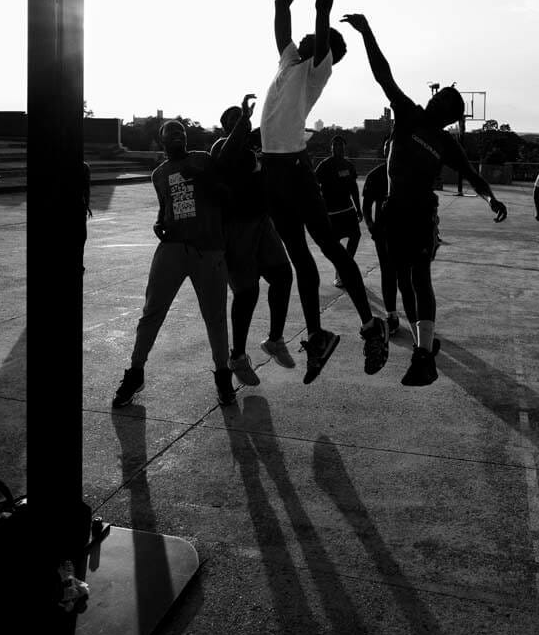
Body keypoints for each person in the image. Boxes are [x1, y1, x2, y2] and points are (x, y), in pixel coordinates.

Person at [341, 13, 508, 386]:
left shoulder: (445, 142)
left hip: (419, 215)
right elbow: (383, 74)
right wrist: (368, 33)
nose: (435, 100)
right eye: (438, 96)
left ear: (448, 115)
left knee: (419, 280)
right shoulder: (409, 114)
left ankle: (422, 353)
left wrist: (490, 198)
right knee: (399, 279)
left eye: (443, 100)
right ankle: (413, 341)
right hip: (392, 213)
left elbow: (473, 176)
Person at [259, 0, 388, 385]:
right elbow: (280, 2)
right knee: (300, 260)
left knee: (330, 248)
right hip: (273, 172)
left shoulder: (318, 67)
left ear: (326, 47)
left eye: (317, 34)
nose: (309, 34)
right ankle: (317, 337)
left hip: (294, 168)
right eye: (311, 34)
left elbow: (320, 8)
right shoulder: (289, 61)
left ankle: (372, 328)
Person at [112, 95, 255, 410]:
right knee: (152, 312)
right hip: (173, 249)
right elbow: (166, 210)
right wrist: (158, 223)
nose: (178, 137)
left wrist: (243, 122)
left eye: (182, 134)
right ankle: (135, 372)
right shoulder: (159, 175)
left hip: (209, 251)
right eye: (172, 134)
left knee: (215, 318)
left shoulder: (204, 159)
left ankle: (221, 376)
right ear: (162, 141)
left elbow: (226, 195)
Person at [211, 103, 295, 385]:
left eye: (243, 118)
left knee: (283, 276)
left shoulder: (252, 151)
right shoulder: (222, 148)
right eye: (233, 120)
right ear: (226, 127)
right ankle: (237, 357)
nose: (241, 123)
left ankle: (275, 339)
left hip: (262, 222)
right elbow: (226, 157)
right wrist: (243, 122)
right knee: (247, 294)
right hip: (236, 228)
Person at [361, 140, 403, 337]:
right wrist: (371, 226)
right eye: (388, 151)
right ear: (384, 152)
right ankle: (392, 315)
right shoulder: (376, 176)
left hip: (406, 233)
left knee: (407, 277)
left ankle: (417, 318)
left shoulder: (407, 173)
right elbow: (366, 206)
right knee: (388, 273)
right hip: (384, 234)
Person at [314, 135, 363, 288]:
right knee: (334, 245)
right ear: (331, 148)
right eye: (335, 145)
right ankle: (340, 271)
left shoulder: (348, 165)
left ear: (344, 147)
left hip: (348, 210)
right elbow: (314, 186)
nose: (338, 148)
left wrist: (358, 208)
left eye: (340, 145)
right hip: (331, 213)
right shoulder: (324, 165)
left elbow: (353, 188)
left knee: (356, 235)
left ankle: (346, 266)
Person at [82, 161, 92, 273]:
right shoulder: (84, 167)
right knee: (81, 237)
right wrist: (87, 206)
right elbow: (86, 189)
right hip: (80, 206)